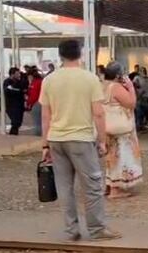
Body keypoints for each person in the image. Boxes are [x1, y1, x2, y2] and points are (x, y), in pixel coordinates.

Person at [40, 40, 120, 241]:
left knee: (64, 187)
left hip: (56, 139)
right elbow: (99, 113)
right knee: (92, 185)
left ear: (60, 55)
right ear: (80, 54)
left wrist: (45, 144)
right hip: (81, 138)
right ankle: (97, 228)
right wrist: (102, 140)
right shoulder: (89, 79)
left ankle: (71, 230)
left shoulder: (49, 80)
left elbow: (45, 115)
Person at [101, 62, 143, 199]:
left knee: (111, 157)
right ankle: (116, 189)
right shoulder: (116, 87)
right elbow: (131, 103)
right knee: (120, 157)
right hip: (120, 129)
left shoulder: (103, 85)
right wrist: (130, 88)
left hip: (107, 126)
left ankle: (109, 184)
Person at [3, 67, 26, 135]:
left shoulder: (20, 82)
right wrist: (18, 91)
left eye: (19, 73)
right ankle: (12, 135)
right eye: (17, 74)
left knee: (18, 122)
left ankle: (14, 134)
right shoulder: (7, 82)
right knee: (15, 121)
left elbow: (23, 90)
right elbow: (8, 91)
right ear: (12, 74)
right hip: (11, 106)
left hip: (20, 105)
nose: (19, 75)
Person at [26, 67, 44, 136]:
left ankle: (38, 137)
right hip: (43, 102)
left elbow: (33, 95)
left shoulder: (34, 83)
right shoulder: (42, 81)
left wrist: (28, 103)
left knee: (37, 123)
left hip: (36, 103)